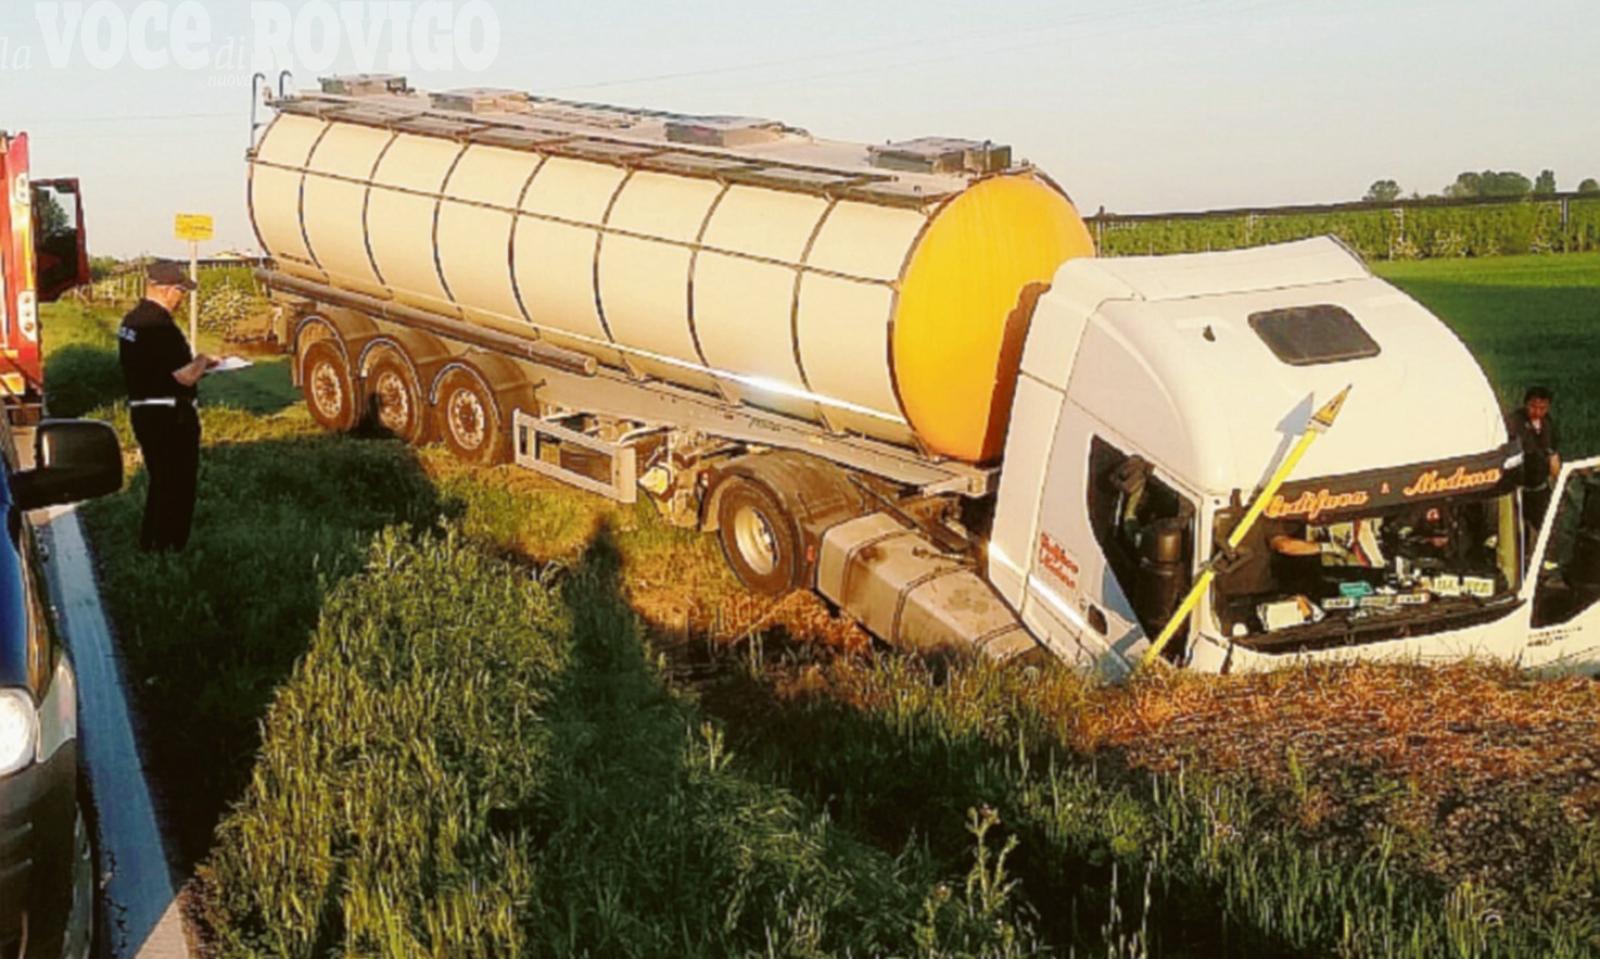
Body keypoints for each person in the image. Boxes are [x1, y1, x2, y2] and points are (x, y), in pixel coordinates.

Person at [118, 261, 214, 552]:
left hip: (143, 410)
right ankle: (171, 547)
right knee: (178, 484)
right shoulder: (161, 326)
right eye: (181, 290)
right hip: (171, 415)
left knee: (160, 482)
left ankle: (151, 543)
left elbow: (153, 368)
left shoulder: (131, 321)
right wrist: (204, 361)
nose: (182, 297)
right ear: (166, 289)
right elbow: (182, 377)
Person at [1507, 386, 1561, 539]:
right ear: (1526, 404)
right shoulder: (1514, 423)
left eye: (1542, 408)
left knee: (1547, 525)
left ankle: (1547, 559)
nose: (1537, 412)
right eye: (1533, 407)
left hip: (1540, 487)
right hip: (1518, 489)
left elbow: (1553, 452)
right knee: (1517, 531)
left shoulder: (1548, 423)